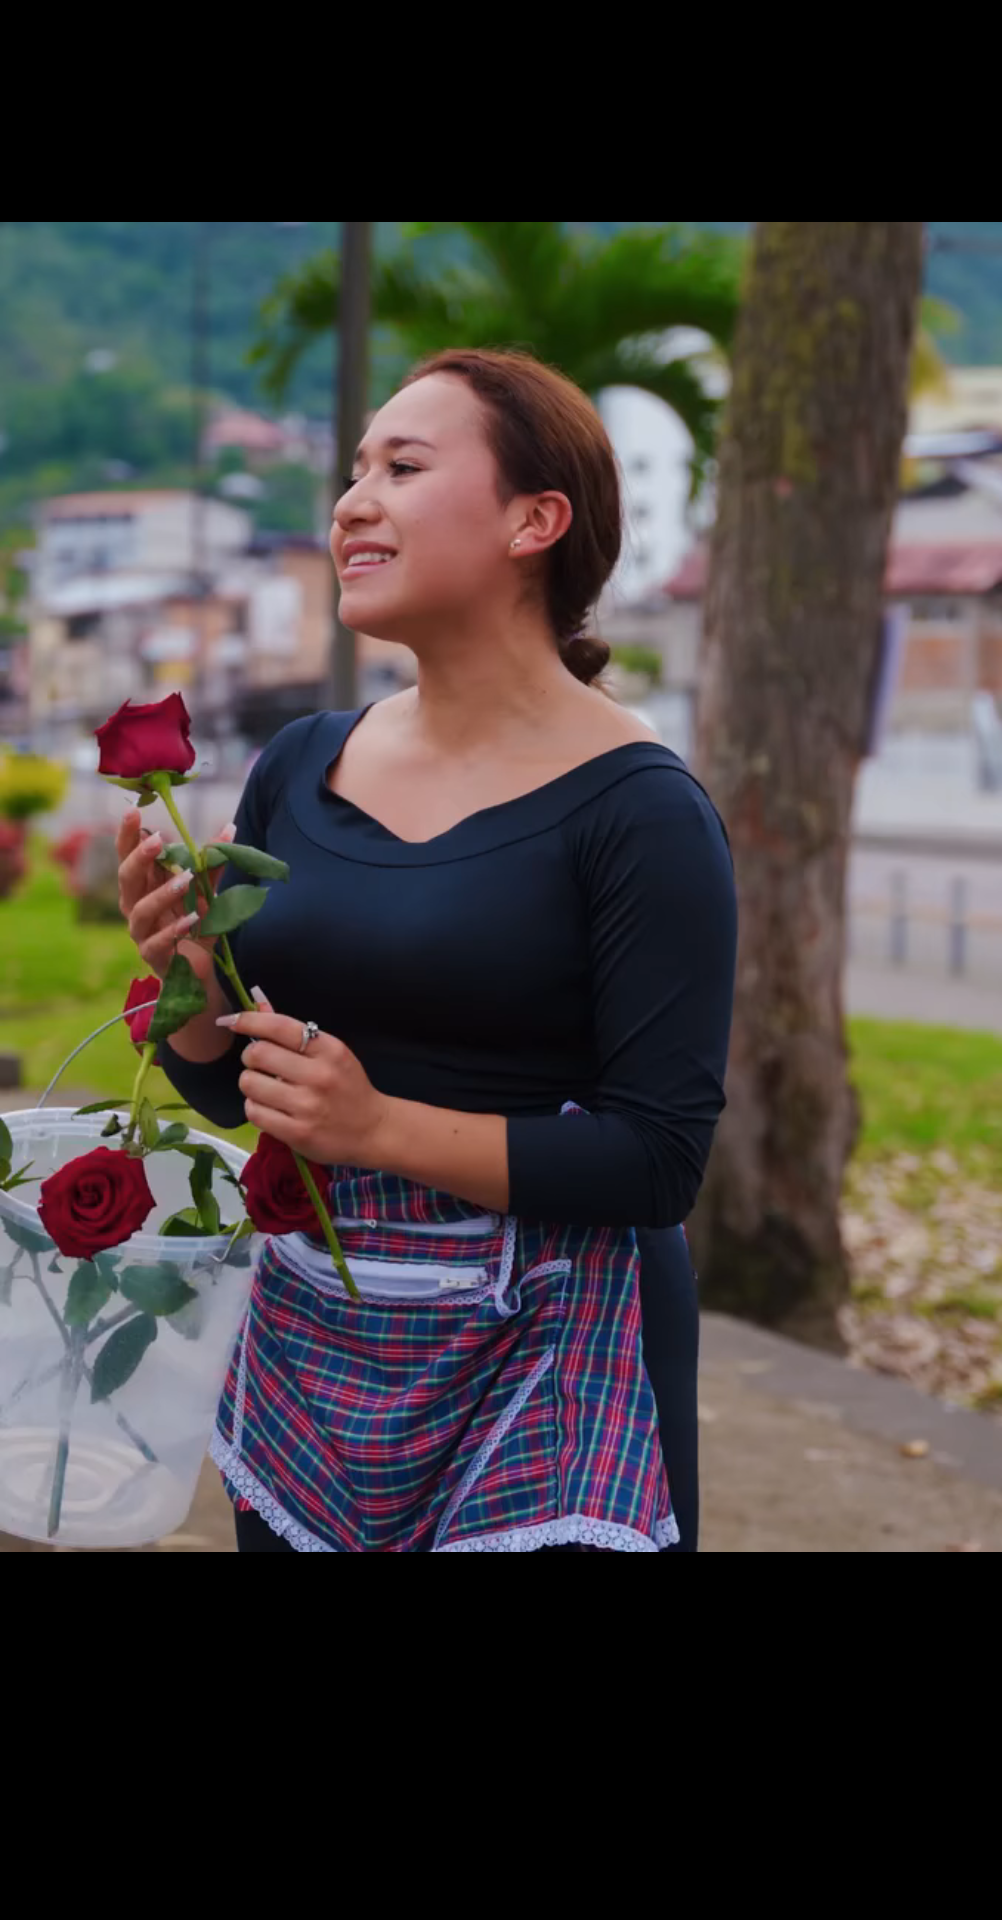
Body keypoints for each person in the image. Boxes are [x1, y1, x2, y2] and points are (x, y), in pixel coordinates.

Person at [115, 348, 736, 1554]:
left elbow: (660, 1160)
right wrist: (187, 981)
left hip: (552, 1369)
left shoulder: (642, 810)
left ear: (534, 521)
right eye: (354, 471)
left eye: (402, 466)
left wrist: (379, 1128)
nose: (352, 502)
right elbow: (230, 1086)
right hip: (319, 1353)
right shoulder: (302, 760)